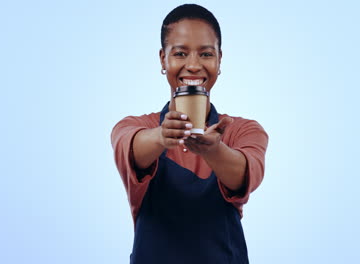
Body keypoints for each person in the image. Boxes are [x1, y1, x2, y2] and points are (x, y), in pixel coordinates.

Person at [111, 4, 268, 264]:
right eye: (180, 53)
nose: (193, 65)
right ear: (163, 59)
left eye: (206, 54)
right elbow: (133, 150)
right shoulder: (134, 127)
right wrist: (162, 136)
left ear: (219, 60)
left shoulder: (242, 130)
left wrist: (213, 150)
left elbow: (244, 177)